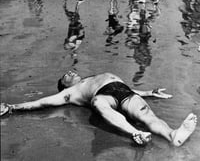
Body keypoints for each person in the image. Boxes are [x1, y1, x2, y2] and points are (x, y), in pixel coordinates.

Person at [0, 71, 197, 147]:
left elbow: (125, 87)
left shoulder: (90, 78)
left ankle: (173, 135)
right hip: (104, 97)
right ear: (64, 86)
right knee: (97, 104)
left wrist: (149, 92)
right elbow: (41, 102)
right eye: (64, 76)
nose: (69, 72)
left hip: (124, 90)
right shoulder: (69, 93)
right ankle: (135, 133)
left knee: (148, 116)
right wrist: (13, 107)